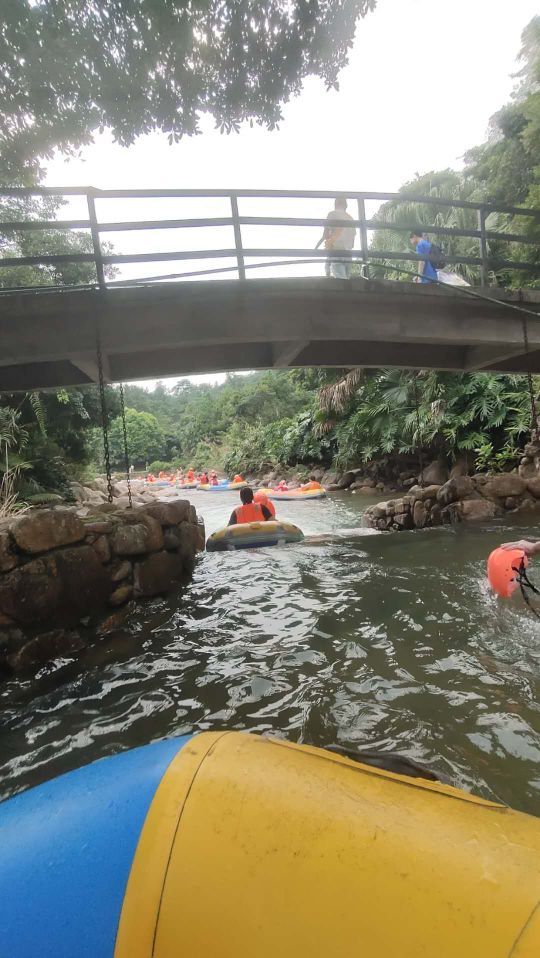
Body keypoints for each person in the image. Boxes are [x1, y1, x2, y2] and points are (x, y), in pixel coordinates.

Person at [318, 195, 355, 279]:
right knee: (346, 281)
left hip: (336, 253)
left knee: (341, 282)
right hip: (348, 254)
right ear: (346, 206)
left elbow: (325, 234)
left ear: (335, 204)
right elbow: (352, 241)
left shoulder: (332, 214)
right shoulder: (351, 219)